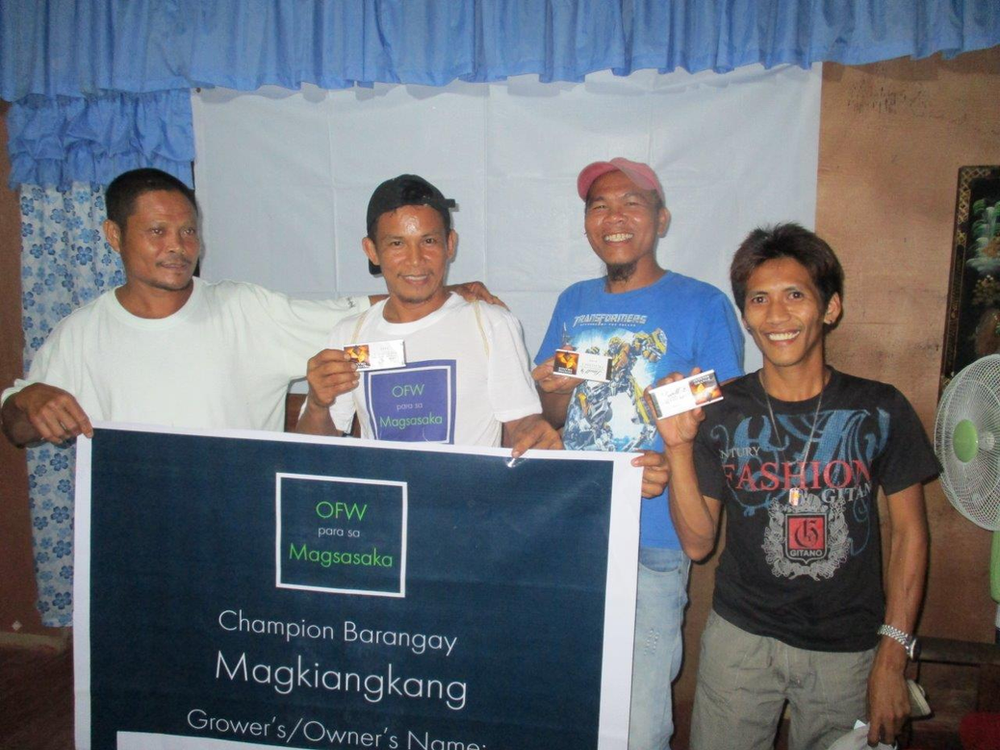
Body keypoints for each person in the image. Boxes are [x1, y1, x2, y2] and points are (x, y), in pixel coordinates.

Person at [652, 223, 937, 750]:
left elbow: (911, 537)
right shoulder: (719, 408)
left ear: (830, 308)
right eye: (759, 299)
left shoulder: (880, 407)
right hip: (741, 639)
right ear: (745, 316)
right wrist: (677, 447)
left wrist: (893, 658)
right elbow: (697, 543)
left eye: (795, 295)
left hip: (848, 649)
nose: (776, 315)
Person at [0, 168, 499, 446]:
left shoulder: (244, 310)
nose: (177, 246)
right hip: (137, 535)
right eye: (157, 232)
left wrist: (440, 293)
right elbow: (19, 430)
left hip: (244, 523)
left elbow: (352, 316)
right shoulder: (80, 334)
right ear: (114, 235)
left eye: (188, 230)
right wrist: (26, 401)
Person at [533, 158, 745, 749]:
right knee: (565, 701)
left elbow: (726, 414)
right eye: (599, 206)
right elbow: (558, 419)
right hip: (571, 531)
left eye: (630, 202)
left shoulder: (703, 304)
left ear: (661, 218)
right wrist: (552, 392)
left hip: (653, 539)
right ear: (586, 226)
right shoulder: (573, 300)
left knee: (638, 719)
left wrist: (676, 447)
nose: (614, 217)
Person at [296, 173, 561, 456]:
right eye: (397, 243)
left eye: (429, 241)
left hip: (468, 499)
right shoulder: (349, 334)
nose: (415, 260)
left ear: (450, 244)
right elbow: (311, 453)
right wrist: (316, 404)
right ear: (372, 251)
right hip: (388, 498)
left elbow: (521, 423)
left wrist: (533, 433)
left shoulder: (490, 323)